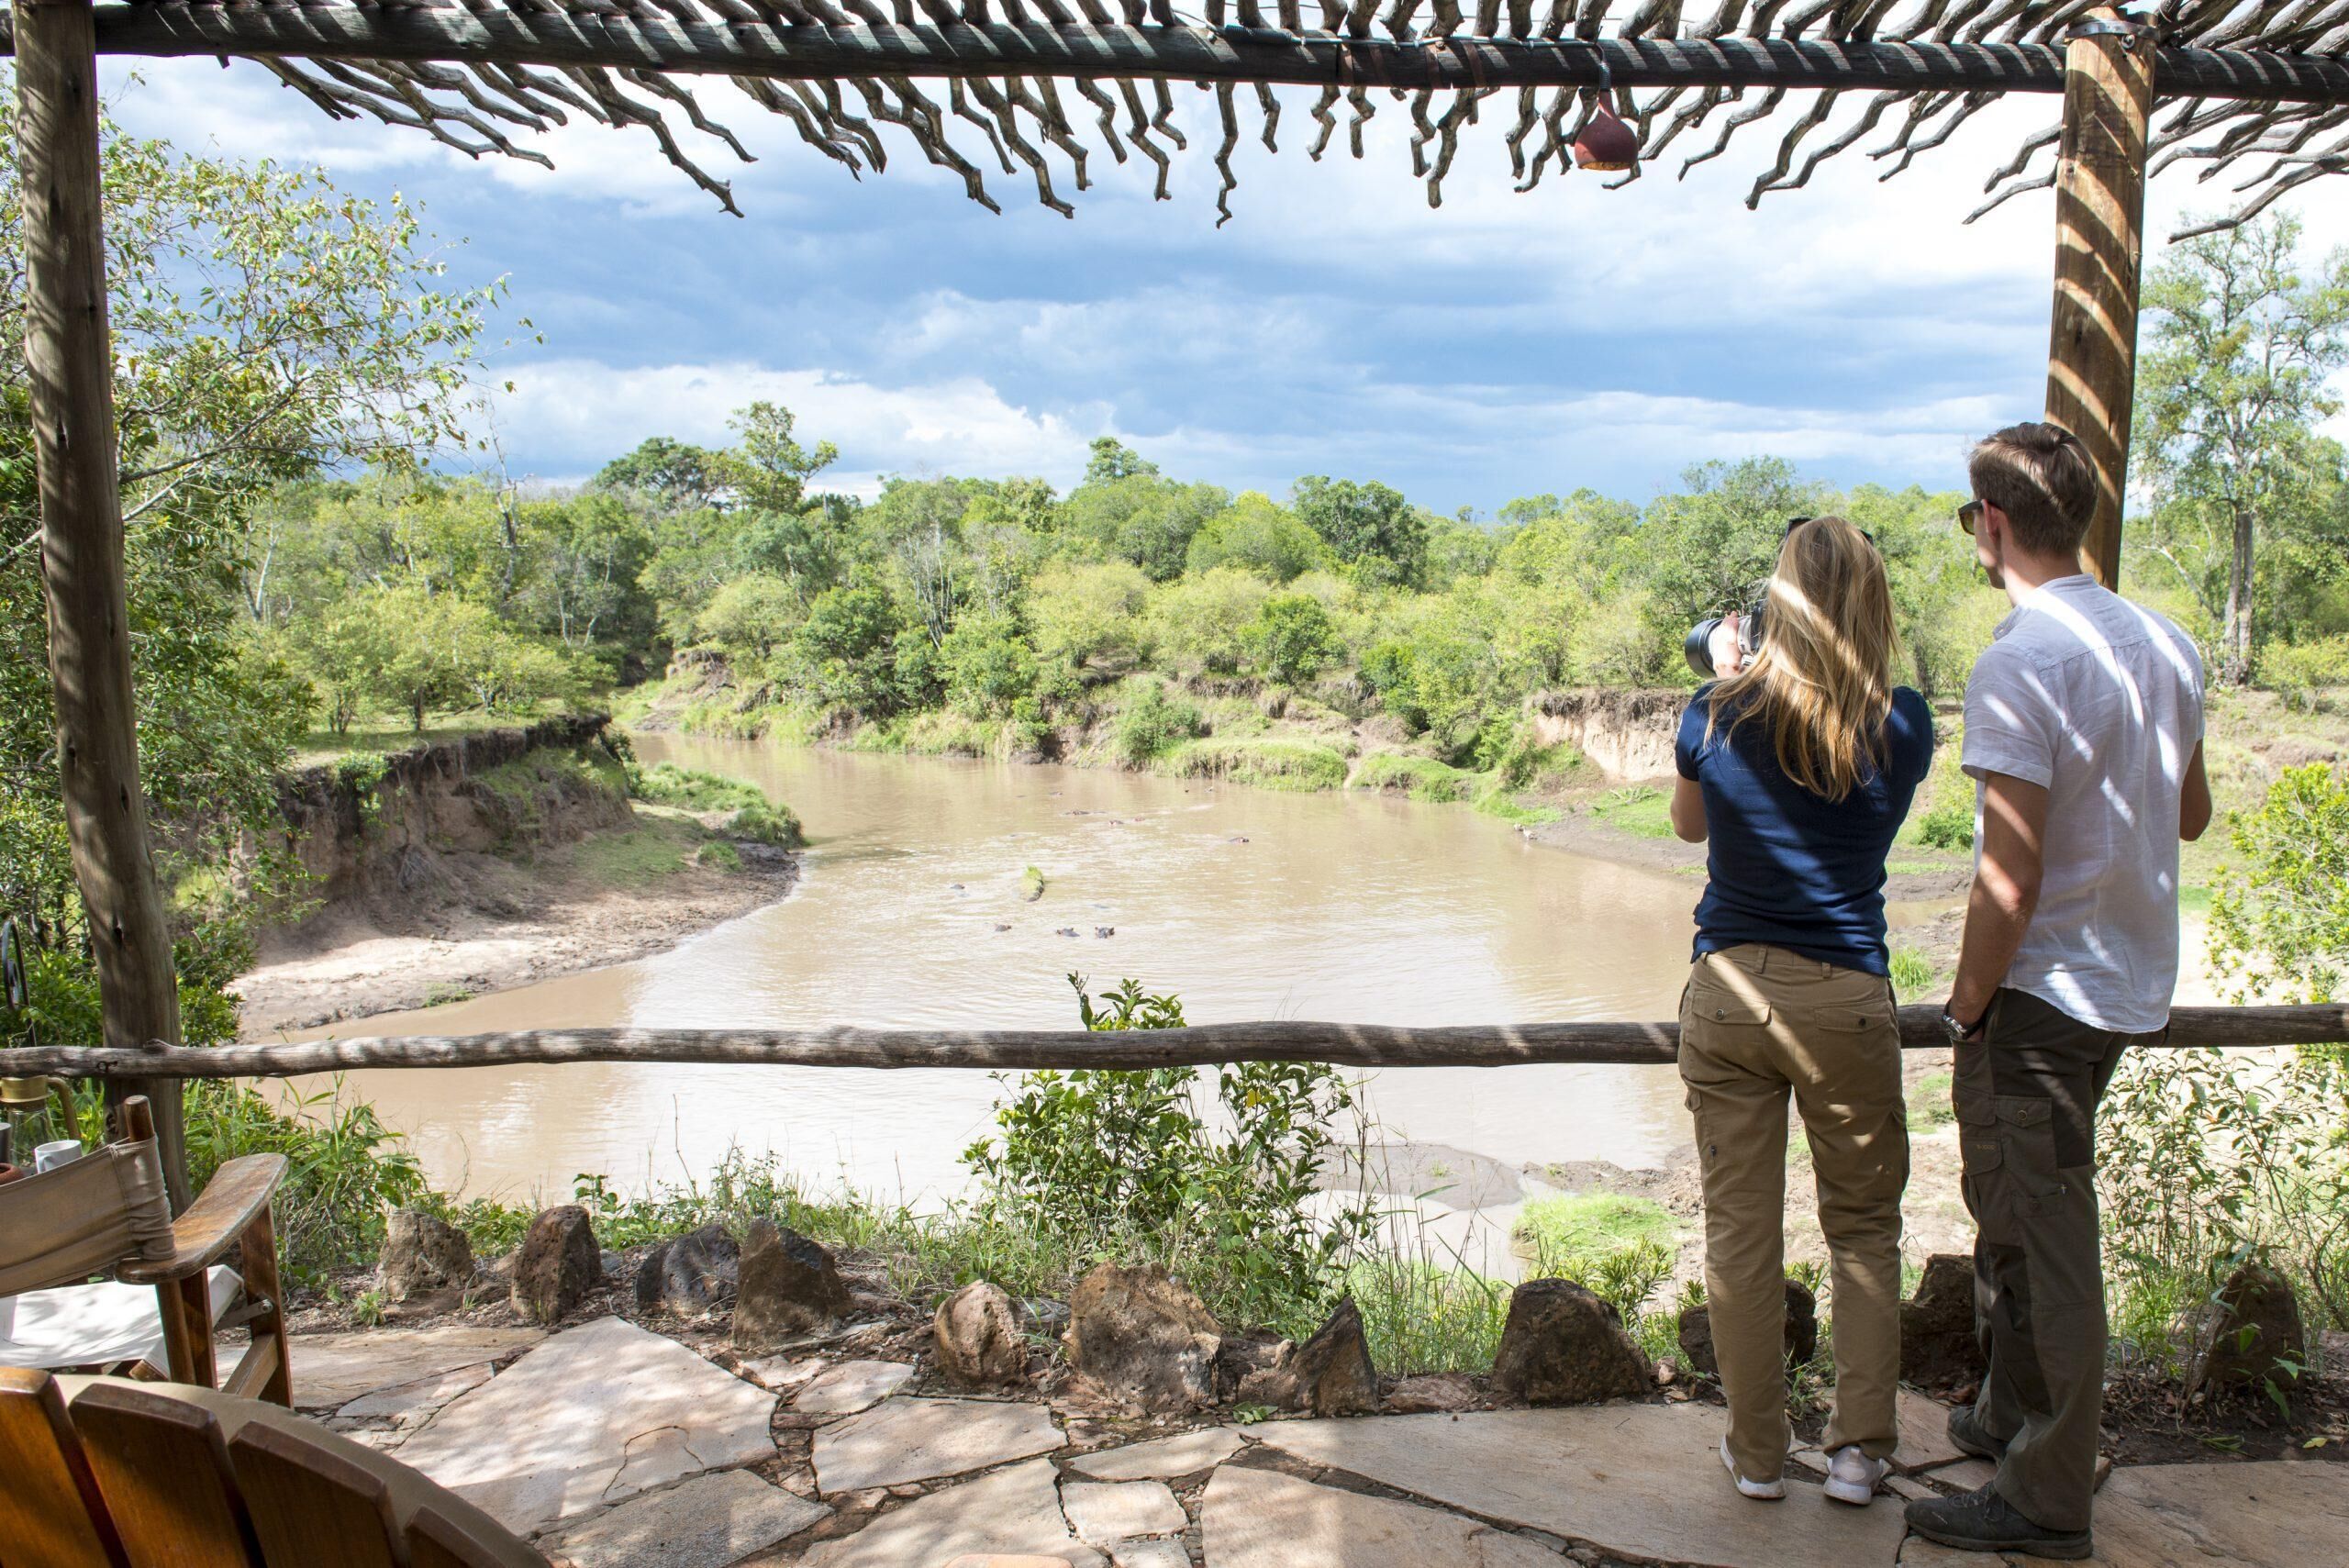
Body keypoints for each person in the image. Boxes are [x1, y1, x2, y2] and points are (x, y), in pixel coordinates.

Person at [1904, 423, 2211, 1561]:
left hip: (2044, 991)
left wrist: (1967, 1005)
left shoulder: (2021, 658)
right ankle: (2005, 1415)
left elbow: (2007, 875)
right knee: (2019, 1213)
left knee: (2047, 1228)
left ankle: (2046, 1491)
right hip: (2128, 978)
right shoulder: (2166, 642)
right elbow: (2189, 813)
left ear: (1991, 524)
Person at [1670, 515, 1934, 1511]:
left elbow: (1691, 823)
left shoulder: (1714, 709)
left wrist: (1728, 679)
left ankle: (1757, 1451)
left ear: (1776, 601)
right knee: (1863, 1227)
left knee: (1740, 1231)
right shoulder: (1903, 720)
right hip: (1848, 999)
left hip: (1731, 989)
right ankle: (1860, 1452)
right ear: (1872, 601)